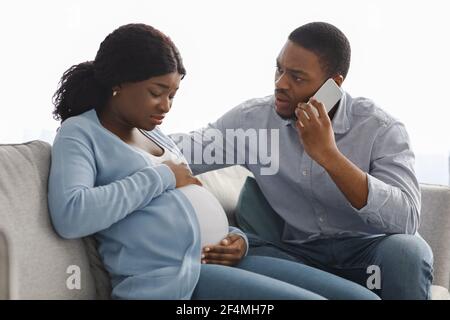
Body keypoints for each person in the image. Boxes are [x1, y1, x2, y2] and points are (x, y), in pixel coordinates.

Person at [47, 23, 379, 300]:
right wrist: (162, 177)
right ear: (118, 83)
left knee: (363, 298)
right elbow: (72, 214)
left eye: (173, 95)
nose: (166, 106)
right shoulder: (80, 133)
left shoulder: (154, 135)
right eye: (156, 91)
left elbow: (185, 209)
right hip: (170, 283)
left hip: (215, 263)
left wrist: (237, 239)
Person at [171, 22, 434, 299]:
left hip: (368, 255)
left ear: (333, 85)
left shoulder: (379, 129)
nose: (280, 84)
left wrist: (329, 156)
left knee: (408, 253)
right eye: (279, 69)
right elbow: (181, 150)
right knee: (243, 252)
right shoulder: (254, 121)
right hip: (295, 254)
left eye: (296, 77)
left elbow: (406, 220)